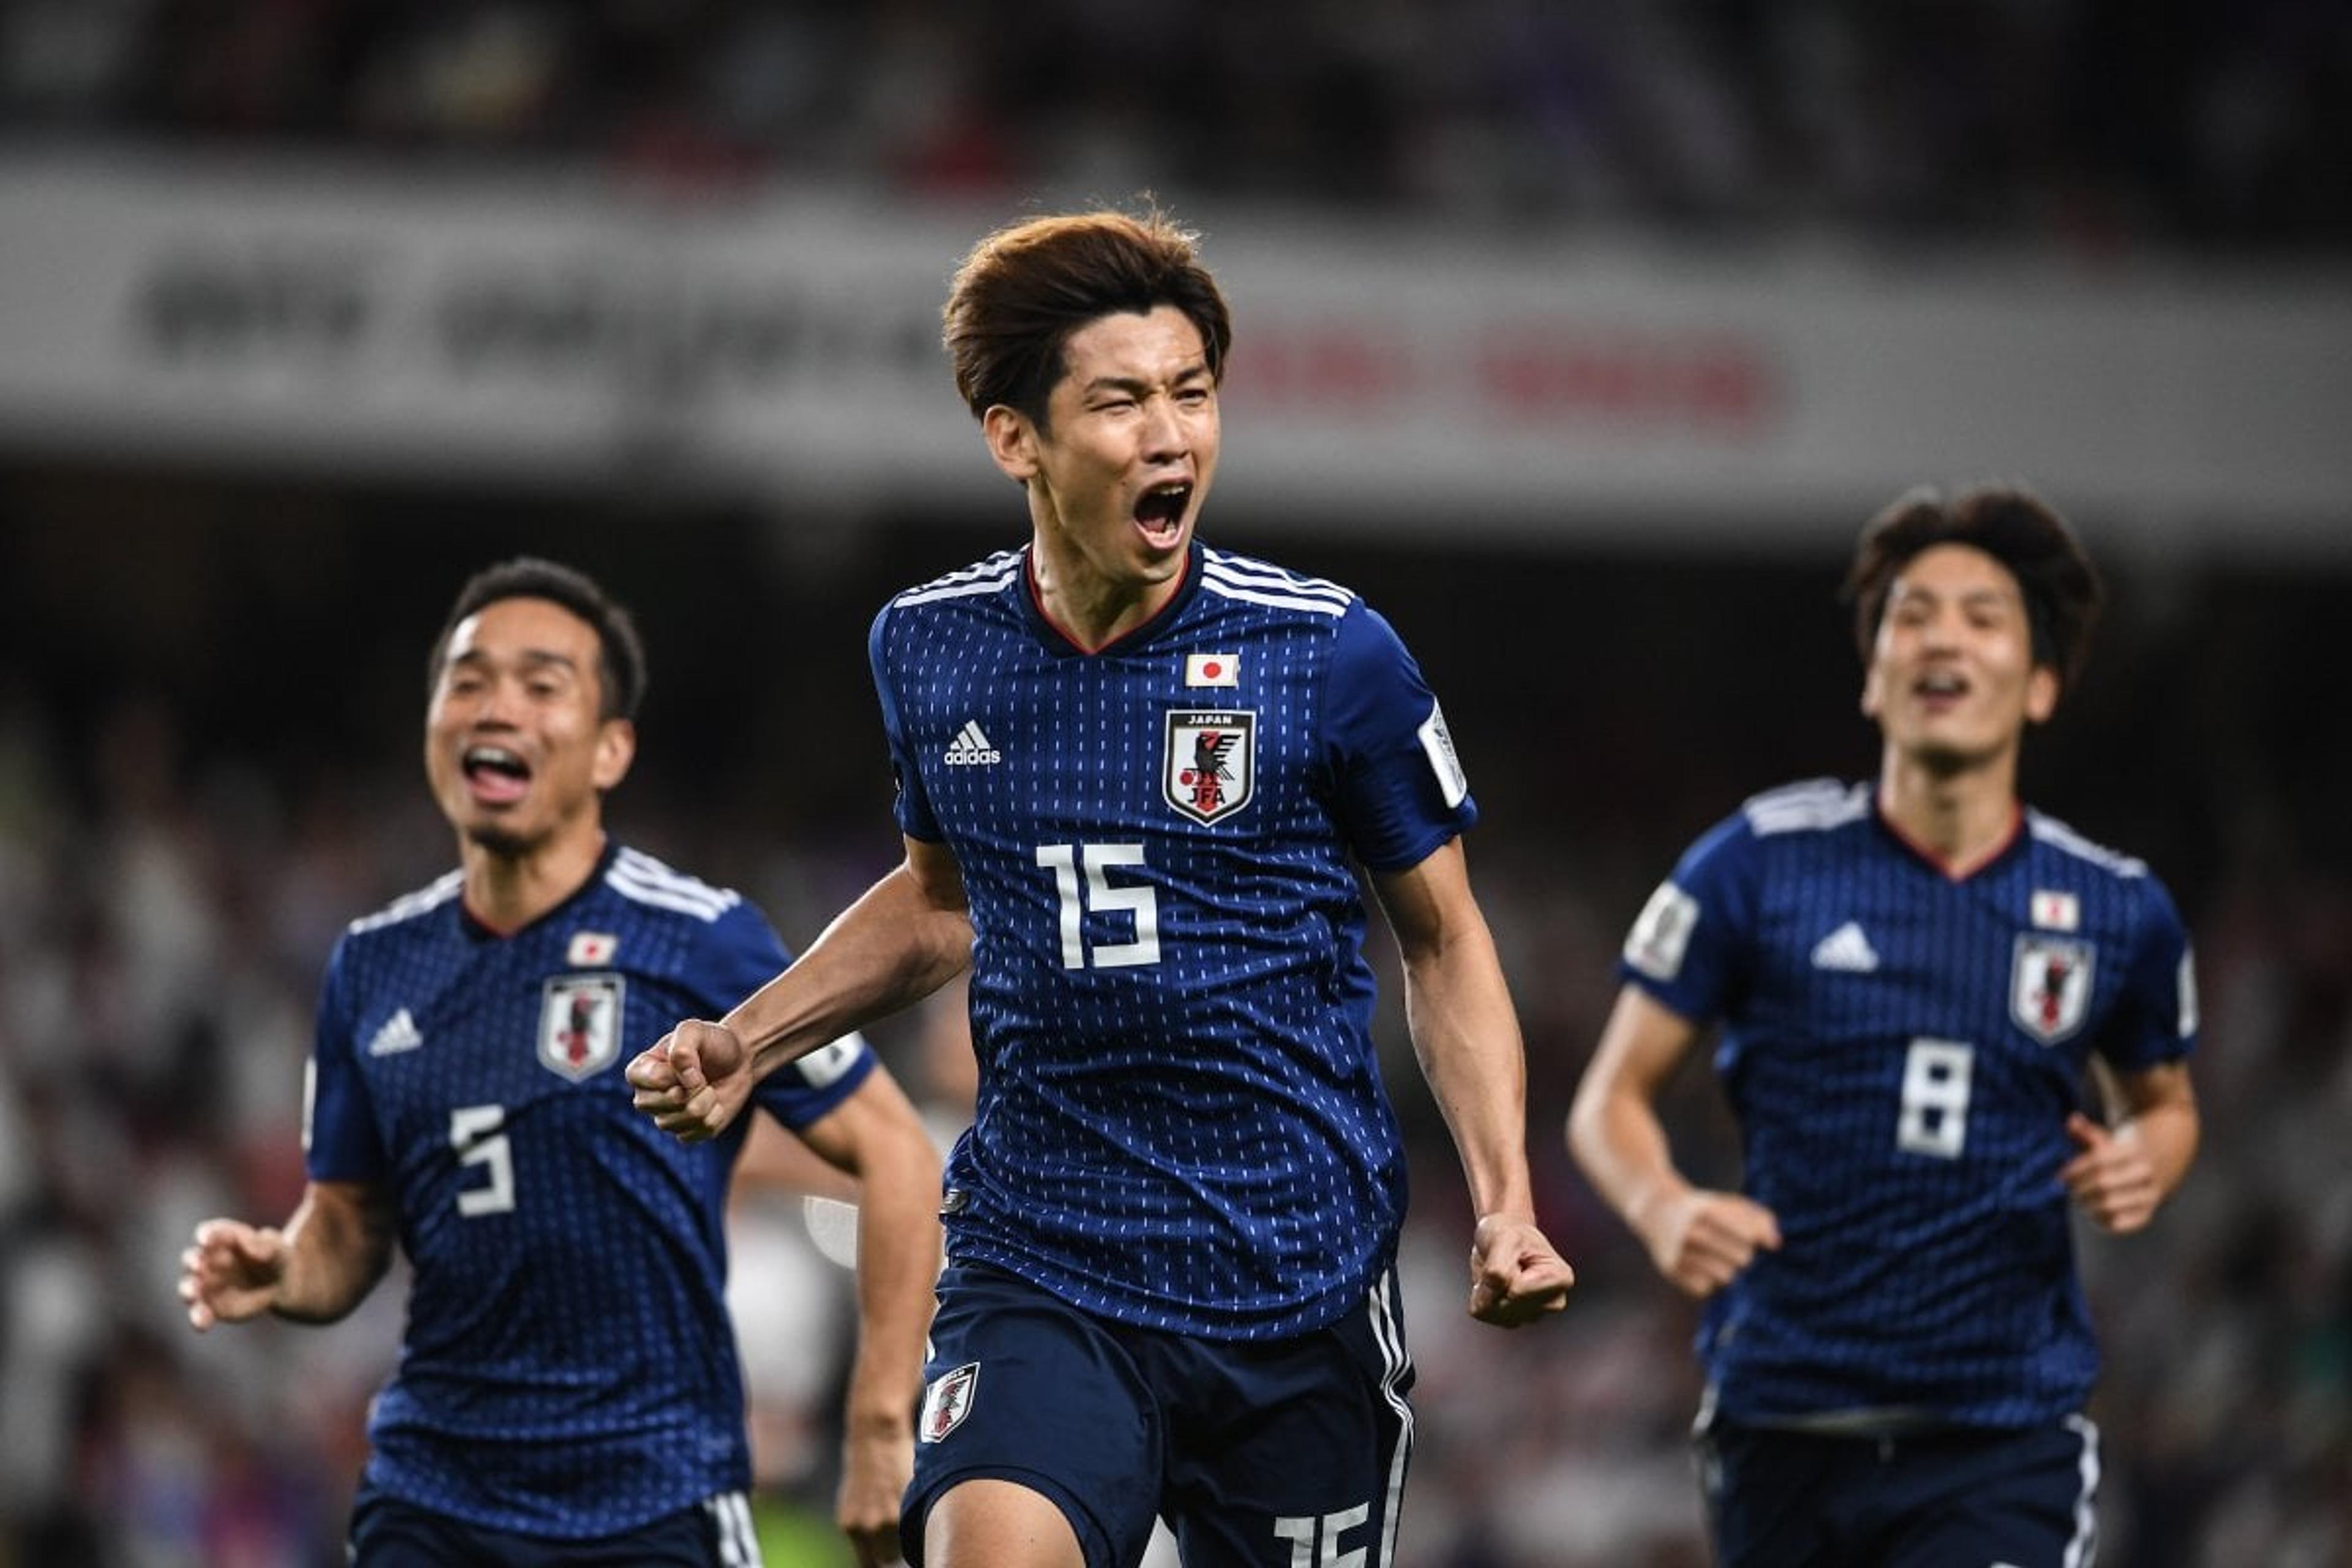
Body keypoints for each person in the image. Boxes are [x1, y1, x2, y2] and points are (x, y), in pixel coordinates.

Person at [627, 205, 1575, 1568]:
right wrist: (748, 1035)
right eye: (1123, 399)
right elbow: (939, 900)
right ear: (1016, 436)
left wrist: (1504, 1203)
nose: (1172, 434)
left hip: (1294, 1276)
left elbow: (1444, 939)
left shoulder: (1329, 655)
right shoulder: (931, 647)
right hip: (1045, 1259)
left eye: (1193, 394)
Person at [176, 558, 942, 1567]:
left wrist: (882, 1428)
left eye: (542, 686)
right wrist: (286, 1269)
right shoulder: (371, 966)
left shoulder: (699, 942)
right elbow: (350, 1227)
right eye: (469, 681)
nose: (498, 708)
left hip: (653, 1499)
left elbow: (897, 1155)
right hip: (434, 1495)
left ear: (610, 749)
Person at [1568, 483, 2202, 1567]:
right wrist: (1663, 1203)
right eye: (1913, 614)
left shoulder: (2115, 909)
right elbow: (1609, 1100)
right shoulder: (1758, 863)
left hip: (2002, 1432)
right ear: (1873, 673)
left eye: (1981, 617)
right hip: (1784, 1418)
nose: (1941, 638)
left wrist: (2151, 1157)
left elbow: (2168, 1103)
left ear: (2042, 684)